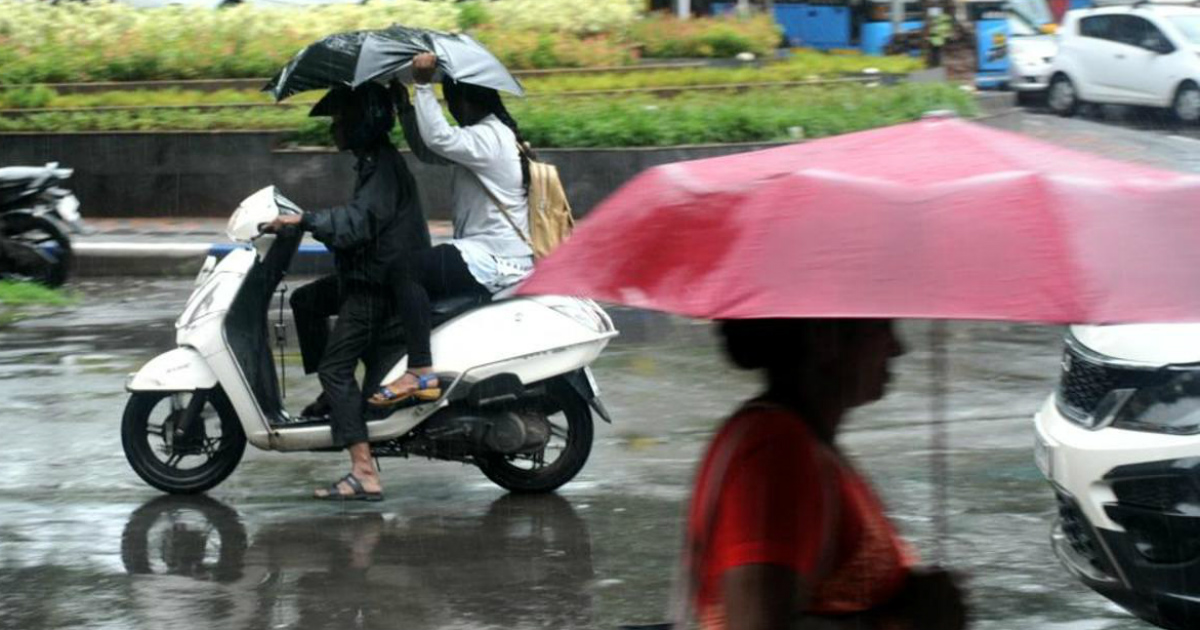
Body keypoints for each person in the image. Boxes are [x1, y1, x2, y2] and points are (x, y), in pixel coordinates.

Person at [688, 319, 967, 630]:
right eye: (881, 326)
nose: (897, 348)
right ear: (826, 337)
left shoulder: (811, 447)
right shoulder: (776, 451)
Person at [263, 83, 431, 501]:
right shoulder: (373, 161)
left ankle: (363, 472)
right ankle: (334, 399)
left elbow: (358, 223)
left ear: (364, 122)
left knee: (336, 367)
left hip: (378, 284)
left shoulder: (383, 167)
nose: (335, 128)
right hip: (369, 273)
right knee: (307, 301)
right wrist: (304, 221)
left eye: (342, 120)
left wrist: (305, 220)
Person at [368, 52, 535, 407]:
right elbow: (431, 152)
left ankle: (420, 370)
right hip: (493, 252)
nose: (451, 106)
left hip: (494, 257)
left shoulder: (490, 138)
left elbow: (440, 139)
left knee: (406, 269)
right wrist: (408, 109)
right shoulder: (486, 136)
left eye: (452, 98)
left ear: (467, 99)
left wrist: (423, 86)